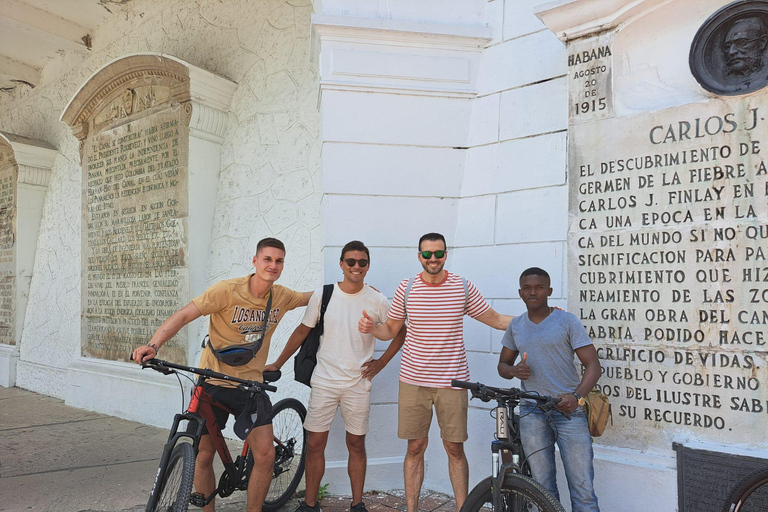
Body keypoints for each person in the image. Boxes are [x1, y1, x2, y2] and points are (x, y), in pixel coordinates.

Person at [132, 238, 312, 512]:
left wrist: (349, 288)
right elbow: (184, 315)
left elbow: (310, 298)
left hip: (249, 386)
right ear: (255, 261)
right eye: (267, 259)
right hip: (213, 381)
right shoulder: (227, 291)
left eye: (279, 261)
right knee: (203, 455)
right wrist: (153, 345)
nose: (273, 265)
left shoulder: (282, 296)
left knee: (265, 454)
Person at [358, 232, 512, 512]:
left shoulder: (462, 287)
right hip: (413, 382)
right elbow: (390, 330)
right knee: (415, 447)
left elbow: (497, 320)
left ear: (445, 254)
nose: (433, 259)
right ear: (419, 256)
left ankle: (463, 509)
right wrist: (373, 329)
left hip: (452, 383)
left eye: (438, 253)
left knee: (454, 449)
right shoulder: (407, 288)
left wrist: (541, 317)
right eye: (427, 254)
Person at [266, 240, 406, 512]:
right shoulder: (324, 295)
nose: (356, 266)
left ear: (368, 266)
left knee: (356, 443)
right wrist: (278, 362)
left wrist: (381, 363)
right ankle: (310, 504)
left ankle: (357, 504)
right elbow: (302, 332)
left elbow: (399, 331)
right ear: (341, 264)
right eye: (351, 262)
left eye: (362, 262)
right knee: (316, 443)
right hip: (325, 381)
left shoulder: (377, 299)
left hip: (357, 382)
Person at [497, 267, 601, 512]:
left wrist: (577, 397)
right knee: (542, 487)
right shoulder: (516, 326)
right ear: (520, 292)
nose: (533, 292)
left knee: (582, 488)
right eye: (527, 288)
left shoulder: (566, 321)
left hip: (568, 412)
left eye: (539, 287)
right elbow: (502, 365)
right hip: (532, 412)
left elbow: (593, 365)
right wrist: (514, 371)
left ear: (549, 291)